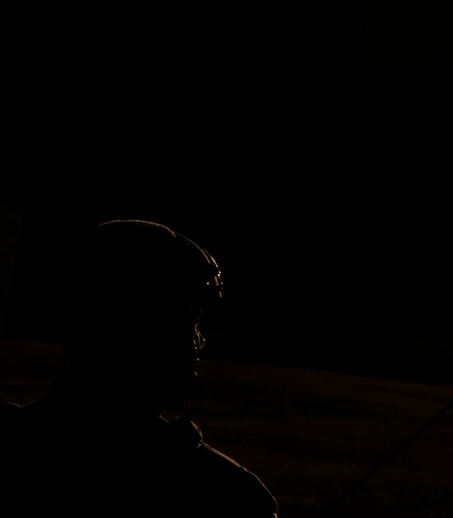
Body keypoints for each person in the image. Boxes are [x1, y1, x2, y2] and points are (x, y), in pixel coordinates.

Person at [0, 220, 278, 515]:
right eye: (188, 320)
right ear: (144, 329)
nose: (199, 341)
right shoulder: (228, 495)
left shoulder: (14, 444)